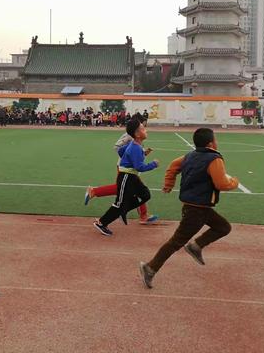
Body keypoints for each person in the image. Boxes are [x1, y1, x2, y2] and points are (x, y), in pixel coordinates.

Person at [139, 127, 238, 288]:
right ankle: (150, 268)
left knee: (223, 227)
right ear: (211, 143)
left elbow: (172, 166)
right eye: (215, 139)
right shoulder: (214, 159)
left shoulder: (189, 156)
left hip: (198, 207)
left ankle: (196, 246)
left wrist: (169, 183)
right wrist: (234, 182)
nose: (216, 142)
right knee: (176, 242)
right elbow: (221, 183)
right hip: (197, 209)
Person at [85, 114, 159, 225]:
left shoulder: (137, 138)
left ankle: (141, 214)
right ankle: (95, 193)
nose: (145, 125)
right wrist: (129, 157)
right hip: (126, 168)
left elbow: (135, 153)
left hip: (131, 168)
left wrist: (142, 152)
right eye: (143, 124)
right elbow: (117, 147)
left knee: (130, 190)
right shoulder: (130, 136)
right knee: (125, 189)